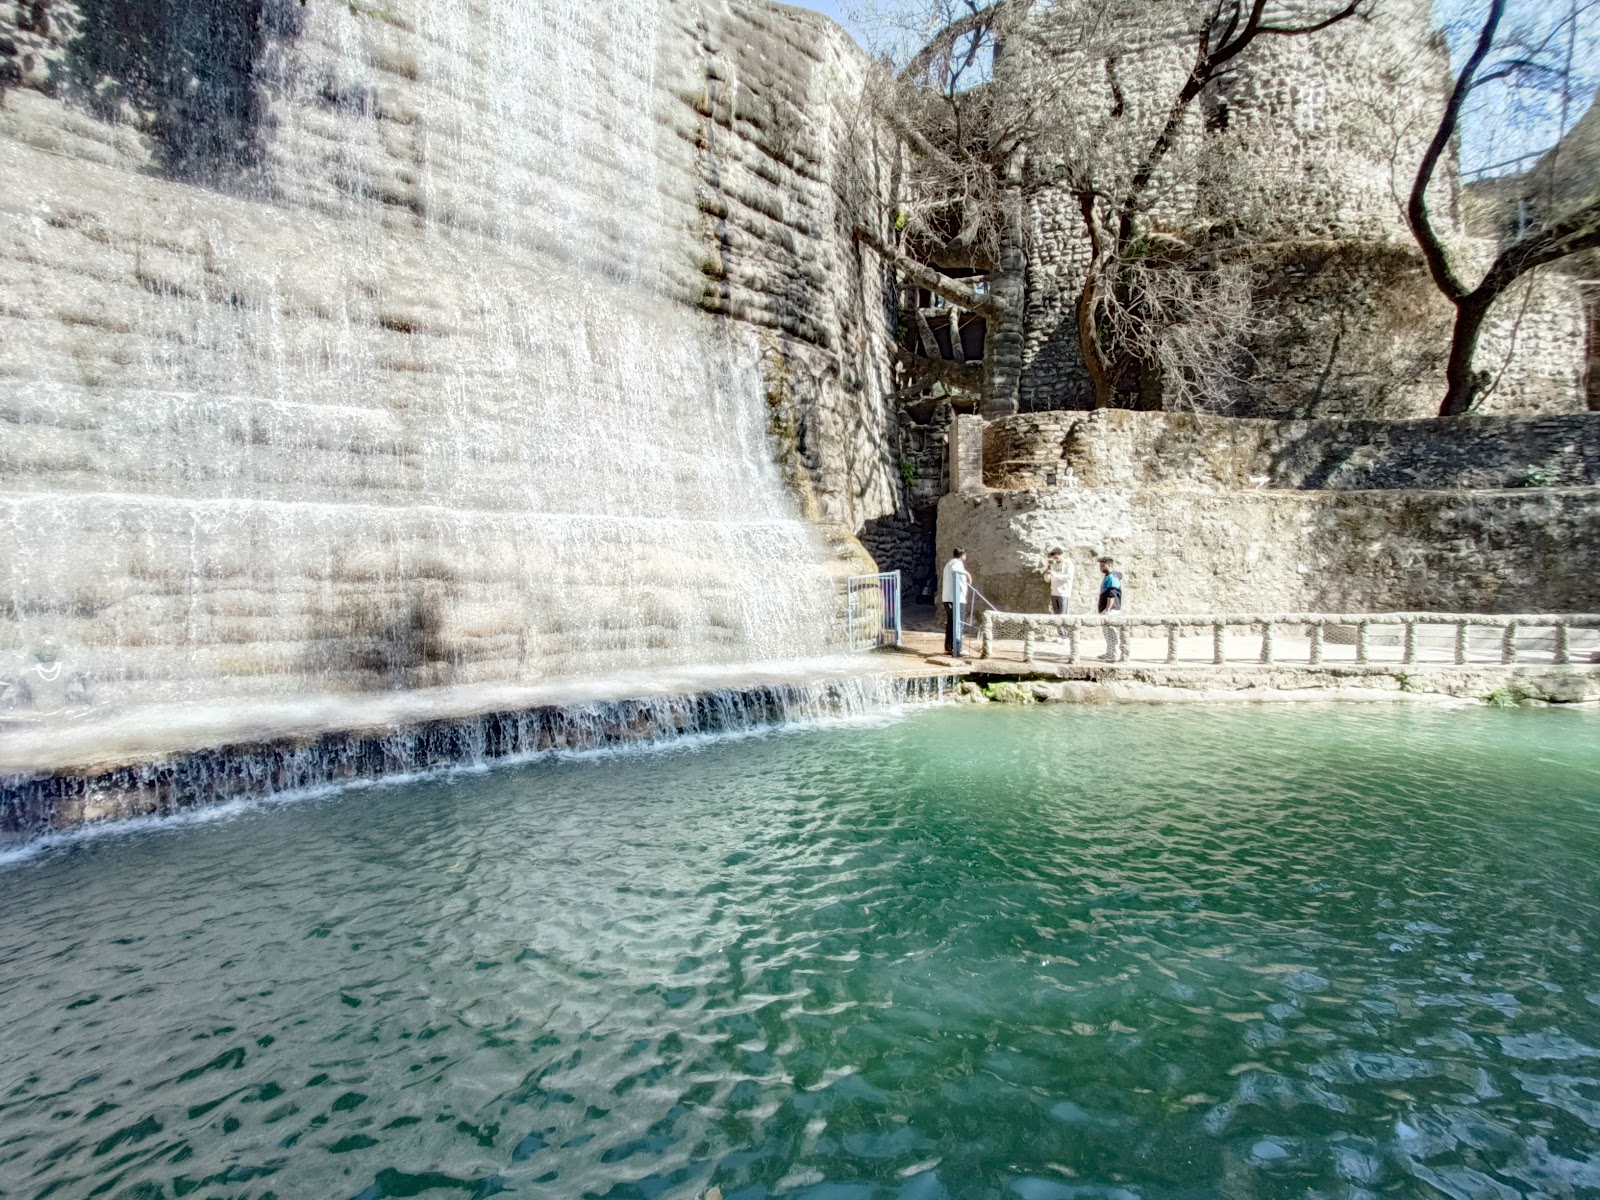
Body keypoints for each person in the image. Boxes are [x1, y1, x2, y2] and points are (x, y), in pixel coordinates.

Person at [941, 547, 971, 659]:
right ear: (962, 555)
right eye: (965, 555)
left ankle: (949, 647)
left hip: (948, 598)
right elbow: (955, 570)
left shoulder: (948, 564)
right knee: (958, 623)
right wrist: (967, 574)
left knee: (951, 623)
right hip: (956, 599)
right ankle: (958, 648)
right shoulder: (956, 564)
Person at [1096, 556, 1123, 662]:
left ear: (1110, 565)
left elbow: (1112, 594)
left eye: (1103, 566)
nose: (1101, 568)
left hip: (1111, 610)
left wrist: (1108, 609)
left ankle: (1114, 654)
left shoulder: (1112, 577)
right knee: (1107, 632)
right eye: (1100, 566)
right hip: (1106, 609)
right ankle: (1109, 652)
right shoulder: (1108, 576)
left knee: (1111, 632)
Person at [1045, 548, 1074, 616]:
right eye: (1053, 558)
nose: (1055, 559)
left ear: (1061, 555)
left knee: (1063, 617)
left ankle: (1064, 627)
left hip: (1063, 594)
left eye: (1056, 557)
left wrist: (1054, 574)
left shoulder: (1068, 564)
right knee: (1056, 617)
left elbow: (1068, 577)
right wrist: (1047, 574)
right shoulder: (1052, 565)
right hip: (1054, 593)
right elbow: (1047, 580)